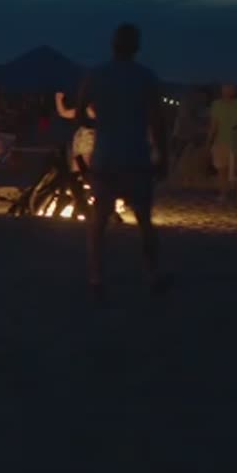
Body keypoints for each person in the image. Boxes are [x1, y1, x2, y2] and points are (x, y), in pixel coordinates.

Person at [76, 24, 170, 302]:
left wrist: (101, 123)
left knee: (99, 221)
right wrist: (163, 155)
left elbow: (79, 115)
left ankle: (96, 278)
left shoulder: (95, 75)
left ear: (112, 44)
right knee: (144, 221)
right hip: (135, 154)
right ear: (136, 47)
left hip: (106, 154)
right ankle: (152, 275)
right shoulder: (145, 77)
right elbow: (157, 122)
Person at [207, 83, 237, 202]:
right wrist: (209, 141)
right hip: (221, 141)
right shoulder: (216, 105)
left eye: (231, 89)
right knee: (222, 169)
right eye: (226, 89)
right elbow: (214, 124)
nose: (228, 91)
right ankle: (223, 193)